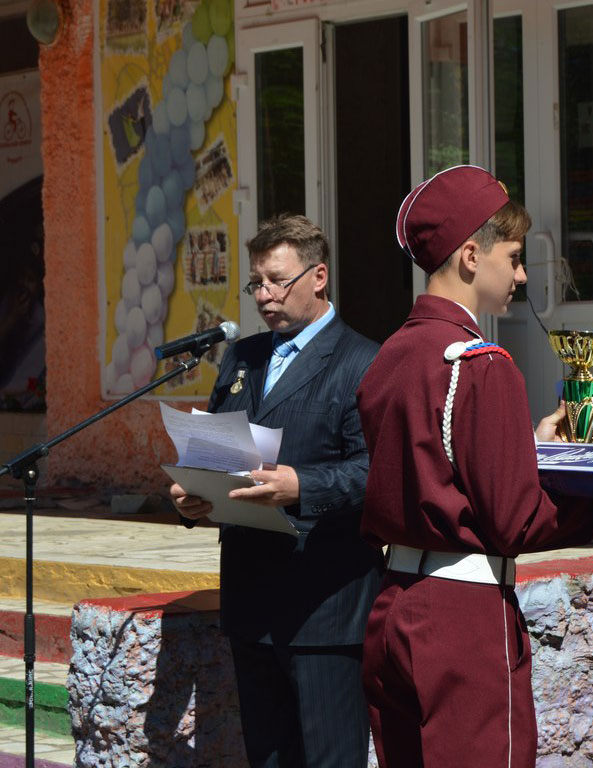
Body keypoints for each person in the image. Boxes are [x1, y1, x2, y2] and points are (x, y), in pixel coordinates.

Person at [357, 165, 593, 768]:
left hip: (392, 605)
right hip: (462, 620)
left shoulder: (392, 352)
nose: (522, 275)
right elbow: (515, 522)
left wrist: (521, 446)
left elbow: (431, 466)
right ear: (471, 256)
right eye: (515, 257)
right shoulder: (483, 363)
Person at [169, 214, 383, 768]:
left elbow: (378, 471)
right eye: (256, 283)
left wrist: (301, 485)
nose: (264, 295)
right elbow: (217, 451)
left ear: (319, 276)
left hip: (324, 607)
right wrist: (193, 494)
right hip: (251, 599)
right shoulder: (242, 357)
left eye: (277, 281)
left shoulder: (364, 360)